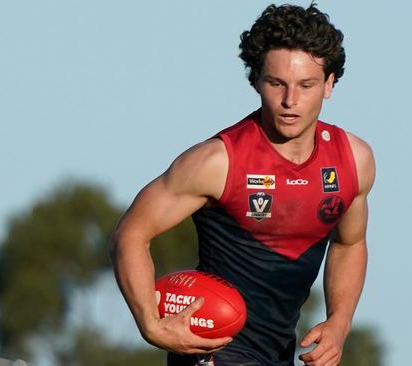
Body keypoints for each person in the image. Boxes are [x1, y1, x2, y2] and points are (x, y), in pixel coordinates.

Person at [110, 3, 375, 366]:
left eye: (306, 85)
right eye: (276, 83)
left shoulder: (353, 162)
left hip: (279, 352)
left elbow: (349, 243)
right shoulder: (217, 162)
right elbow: (130, 233)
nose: (290, 101)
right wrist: (150, 324)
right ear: (255, 80)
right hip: (212, 350)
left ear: (329, 84)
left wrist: (339, 322)